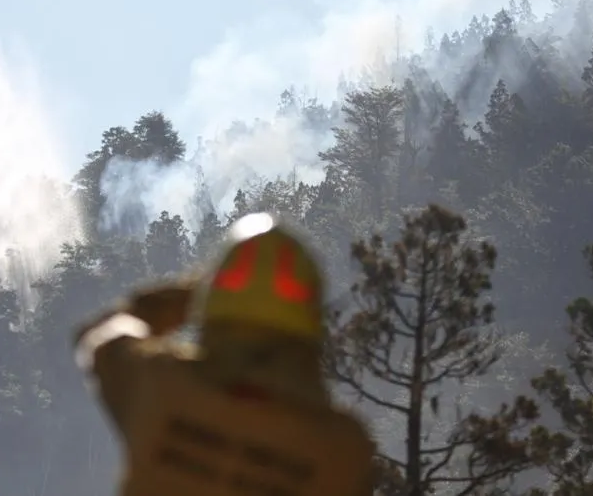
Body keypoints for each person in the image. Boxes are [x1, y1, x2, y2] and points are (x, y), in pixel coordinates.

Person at [74, 212, 375, 496]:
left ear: (213, 310)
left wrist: (182, 299)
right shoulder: (343, 451)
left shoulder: (159, 385)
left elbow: (100, 336)